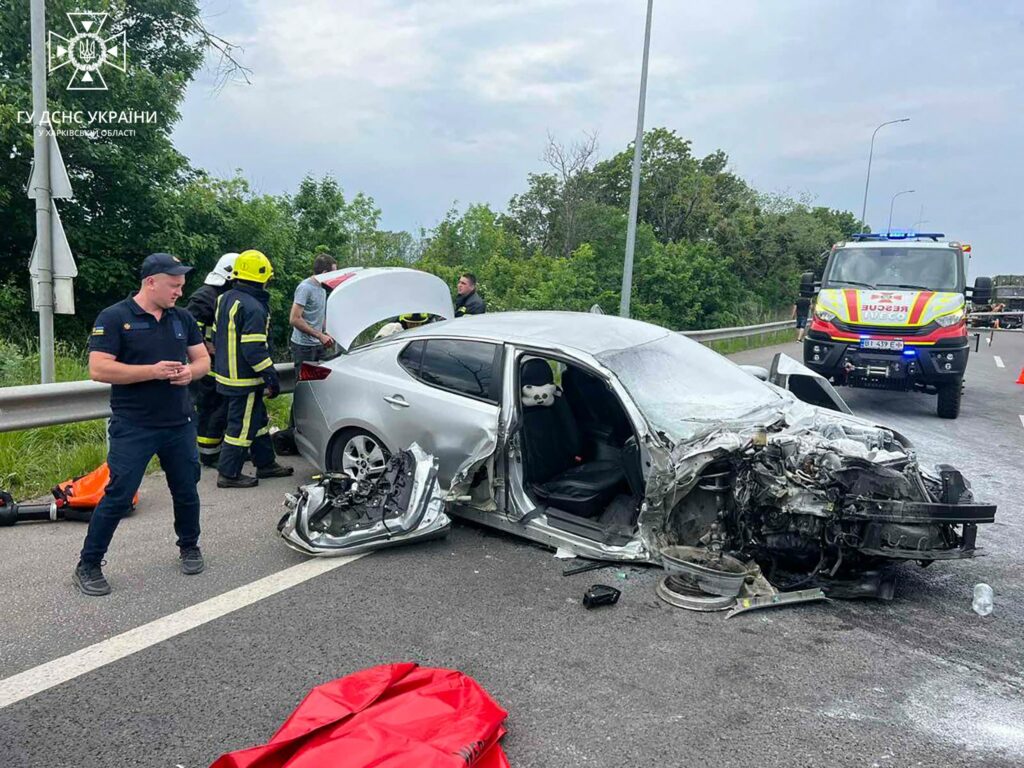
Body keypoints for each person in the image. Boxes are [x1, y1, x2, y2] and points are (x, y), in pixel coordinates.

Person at [74, 253, 211, 596]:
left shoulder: (182, 318)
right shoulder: (115, 317)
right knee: (118, 496)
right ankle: (88, 564)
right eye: (173, 285)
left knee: (186, 490)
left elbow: (203, 360)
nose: (180, 291)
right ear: (151, 282)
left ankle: (189, 546)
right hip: (134, 425)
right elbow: (99, 369)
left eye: (181, 285)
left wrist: (189, 373)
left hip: (179, 422)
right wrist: (151, 372)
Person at [214, 249, 294, 488]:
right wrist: (271, 376)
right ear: (263, 278)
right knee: (240, 426)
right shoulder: (254, 307)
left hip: (226, 374)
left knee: (257, 422)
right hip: (245, 380)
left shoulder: (224, 298)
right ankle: (228, 474)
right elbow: (254, 350)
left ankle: (266, 463)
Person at [186, 252, 238, 467]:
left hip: (222, 363)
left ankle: (220, 452)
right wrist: (205, 347)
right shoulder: (205, 296)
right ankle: (208, 455)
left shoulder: (224, 295)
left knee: (222, 410)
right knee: (211, 410)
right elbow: (190, 330)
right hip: (208, 367)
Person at [290, 253, 337, 370]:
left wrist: (328, 332)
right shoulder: (305, 288)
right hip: (304, 347)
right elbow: (294, 318)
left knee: (320, 382)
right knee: (304, 383)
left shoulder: (322, 289)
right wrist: (319, 335)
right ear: (325, 273)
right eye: (334, 273)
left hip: (319, 345)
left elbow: (319, 314)